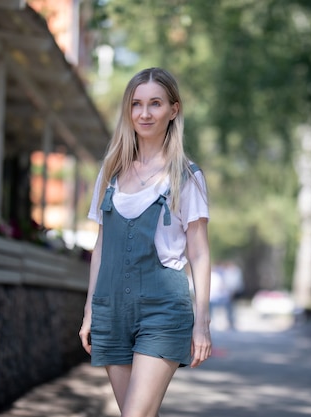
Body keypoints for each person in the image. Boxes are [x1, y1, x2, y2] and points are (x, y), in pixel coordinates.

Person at [78, 67, 212, 417]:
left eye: (155, 103)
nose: (145, 113)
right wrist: (90, 309)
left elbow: (199, 253)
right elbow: (100, 247)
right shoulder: (111, 172)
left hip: (163, 310)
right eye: (137, 104)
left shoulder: (187, 177)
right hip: (112, 311)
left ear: (174, 110)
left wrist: (202, 322)